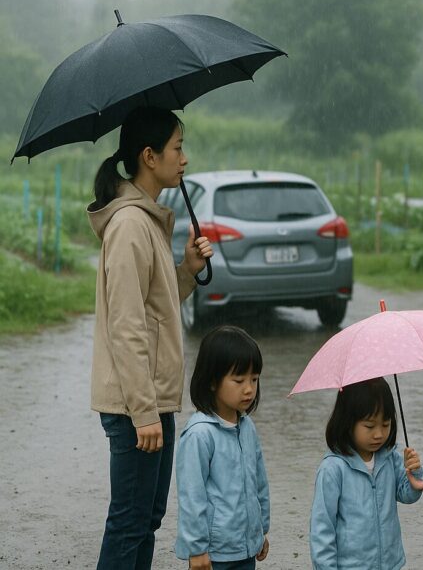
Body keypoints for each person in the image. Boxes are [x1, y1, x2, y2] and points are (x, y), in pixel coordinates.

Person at [88, 106, 213, 569]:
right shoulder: (128, 227)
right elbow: (126, 327)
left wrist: (186, 271)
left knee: (146, 519)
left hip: (152, 402)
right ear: (149, 155)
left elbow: (153, 310)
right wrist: (143, 414)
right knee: (129, 522)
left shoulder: (146, 221)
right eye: (177, 148)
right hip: (135, 407)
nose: (183, 159)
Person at [310, 377, 423, 569]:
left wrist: (414, 475)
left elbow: (406, 494)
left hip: (391, 563)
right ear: (346, 422)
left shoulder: (390, 457)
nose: (379, 434)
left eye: (386, 424)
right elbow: (322, 528)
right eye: (369, 426)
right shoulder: (333, 469)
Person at [175, 326, 271, 570]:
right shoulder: (199, 434)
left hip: (246, 549)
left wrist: (261, 530)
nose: (249, 388)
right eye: (239, 380)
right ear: (211, 381)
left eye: (254, 379)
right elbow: (191, 496)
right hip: (214, 554)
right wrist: (197, 549)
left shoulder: (247, 427)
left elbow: (259, 482)